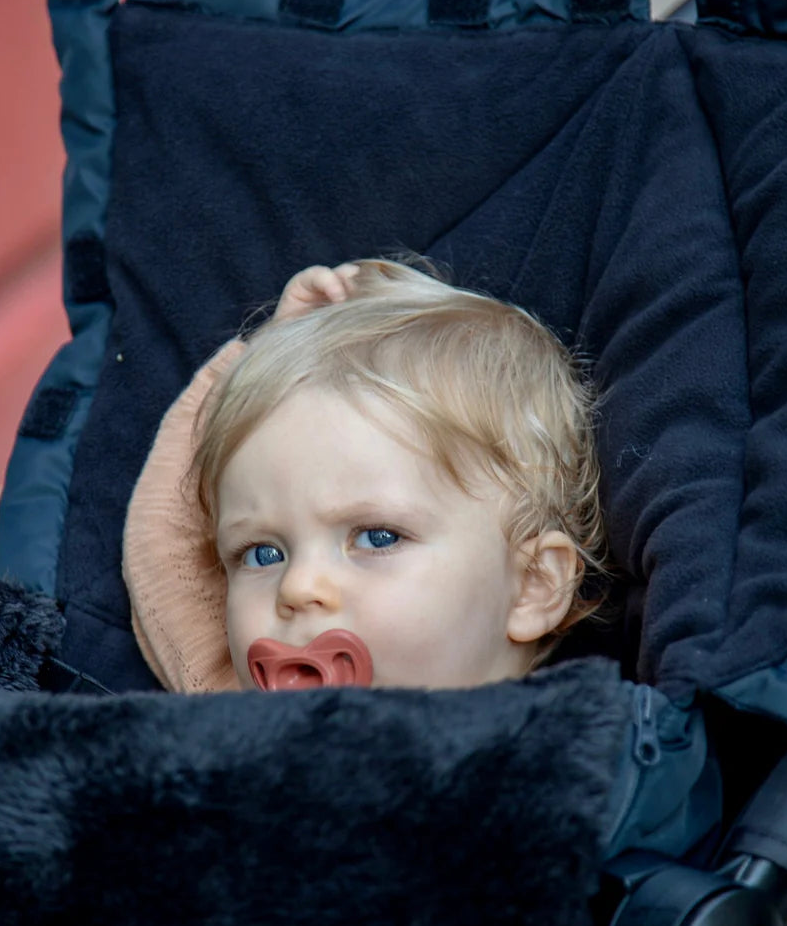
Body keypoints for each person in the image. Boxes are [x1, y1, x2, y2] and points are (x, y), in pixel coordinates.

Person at [123, 258, 606, 693]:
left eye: (377, 537)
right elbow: (166, 544)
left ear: (532, 585)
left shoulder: (573, 753)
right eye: (263, 553)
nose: (298, 586)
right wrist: (250, 362)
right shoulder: (235, 712)